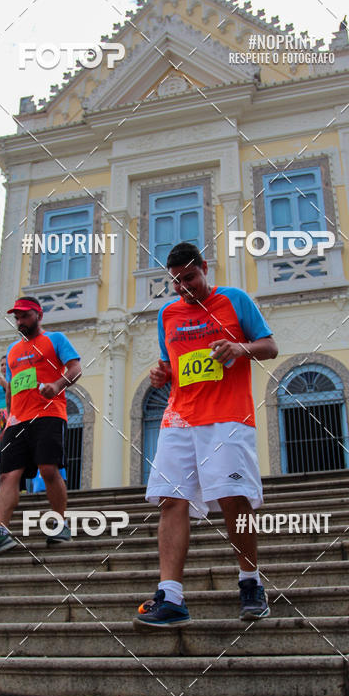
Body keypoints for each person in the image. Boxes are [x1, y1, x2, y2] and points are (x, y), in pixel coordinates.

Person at [134, 241, 278, 628]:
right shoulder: (167, 314)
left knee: (234, 499)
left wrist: (239, 348)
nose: (184, 287)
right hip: (179, 419)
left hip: (227, 417)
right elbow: (169, 367)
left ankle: (250, 582)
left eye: (190, 278)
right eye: (177, 282)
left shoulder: (234, 300)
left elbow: (269, 346)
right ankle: (171, 596)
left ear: (205, 268)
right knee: (170, 501)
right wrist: (159, 375)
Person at [0, 296, 81, 559]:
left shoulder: (54, 340)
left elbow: (76, 367)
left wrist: (56, 386)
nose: (20, 321)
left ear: (38, 315)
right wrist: (9, 417)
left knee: (48, 469)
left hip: (49, 414)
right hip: (16, 421)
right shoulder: (12, 351)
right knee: (7, 476)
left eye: (25, 316)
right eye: (17, 317)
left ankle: (60, 523)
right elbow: (11, 388)